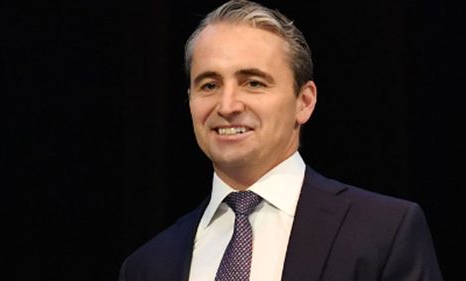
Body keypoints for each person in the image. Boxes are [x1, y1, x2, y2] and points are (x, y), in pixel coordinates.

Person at [119, 0, 443, 280]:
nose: (228, 105)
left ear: (304, 102)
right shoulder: (148, 265)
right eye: (209, 85)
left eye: (254, 83)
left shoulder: (384, 232)